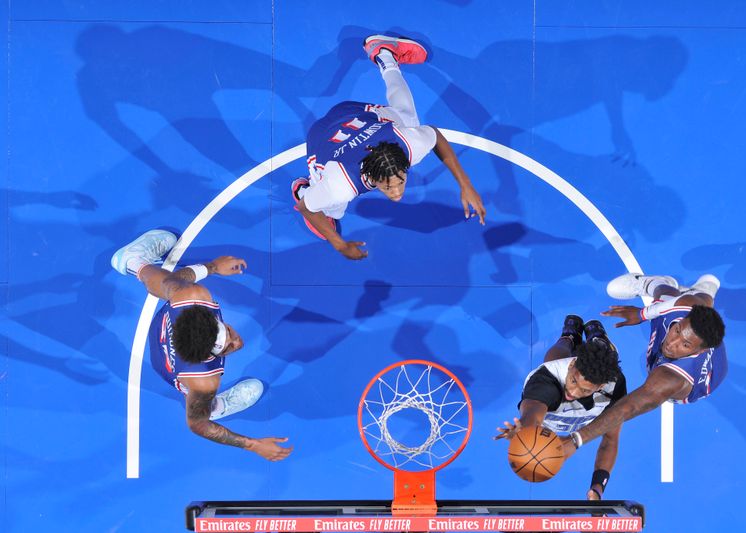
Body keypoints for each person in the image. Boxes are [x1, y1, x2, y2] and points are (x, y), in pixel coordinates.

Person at [292, 34, 486, 260]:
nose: (396, 193)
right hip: (321, 140)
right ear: (372, 178)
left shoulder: (408, 144)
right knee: (334, 210)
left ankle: (385, 54)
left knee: (410, 121)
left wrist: (465, 184)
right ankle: (301, 188)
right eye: (387, 187)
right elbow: (307, 208)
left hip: (351, 113)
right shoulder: (341, 184)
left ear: (404, 166)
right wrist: (339, 244)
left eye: (399, 183)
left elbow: (434, 135)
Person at [111, 229, 292, 461]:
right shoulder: (203, 381)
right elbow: (197, 425)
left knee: (165, 281)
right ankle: (216, 407)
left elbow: (158, 281)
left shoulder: (189, 296)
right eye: (227, 343)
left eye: (226, 330)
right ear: (211, 355)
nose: (236, 339)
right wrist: (253, 445)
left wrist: (212, 267)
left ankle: (131, 260)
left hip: (163, 335)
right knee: (202, 406)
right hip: (171, 370)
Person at [560, 273, 727, 458]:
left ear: (699, 350)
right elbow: (677, 307)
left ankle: (704, 289)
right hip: (693, 311)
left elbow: (628, 408)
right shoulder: (686, 307)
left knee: (695, 304)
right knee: (686, 297)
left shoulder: (672, 379)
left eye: (685, 344)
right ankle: (660, 283)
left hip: (705, 378)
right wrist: (640, 314)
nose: (672, 343)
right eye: (676, 330)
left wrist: (575, 440)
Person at [495, 316, 626, 500]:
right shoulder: (544, 383)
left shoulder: (613, 386)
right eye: (573, 381)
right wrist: (524, 430)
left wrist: (597, 488)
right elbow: (533, 411)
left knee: (608, 355)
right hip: (556, 372)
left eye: (585, 390)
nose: (573, 391)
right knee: (557, 357)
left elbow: (610, 439)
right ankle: (569, 337)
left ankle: (598, 338)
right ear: (572, 365)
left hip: (597, 381)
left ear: (600, 387)